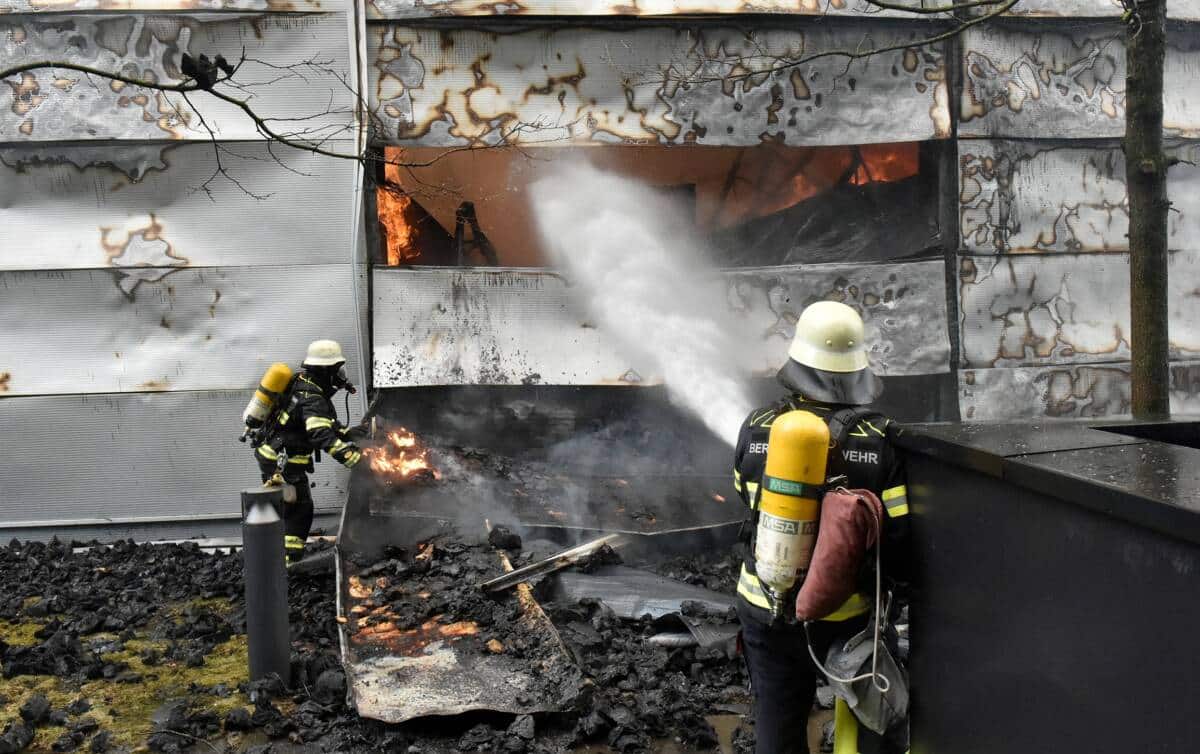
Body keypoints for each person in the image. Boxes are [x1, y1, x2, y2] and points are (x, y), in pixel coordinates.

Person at [732, 301, 911, 754]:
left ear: (798, 365)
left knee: (777, 723)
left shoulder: (756, 427)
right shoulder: (881, 440)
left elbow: (746, 497)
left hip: (766, 605)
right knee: (875, 720)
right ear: (856, 372)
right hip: (846, 616)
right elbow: (899, 534)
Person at [252, 340, 364, 562]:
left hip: (274, 457)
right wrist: (355, 459)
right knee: (298, 511)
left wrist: (351, 433)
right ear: (326, 370)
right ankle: (283, 563)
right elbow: (320, 434)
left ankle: (283, 560)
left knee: (293, 511)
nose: (339, 375)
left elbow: (318, 425)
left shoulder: (301, 383)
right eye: (336, 369)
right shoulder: (313, 397)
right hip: (283, 464)